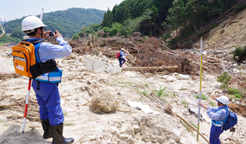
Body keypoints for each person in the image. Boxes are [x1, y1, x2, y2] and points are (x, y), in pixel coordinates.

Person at [21, 16, 74, 144]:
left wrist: (41, 38)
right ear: (38, 29)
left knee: (43, 107)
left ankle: (47, 132)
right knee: (54, 109)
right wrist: (59, 38)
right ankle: (58, 139)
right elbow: (67, 51)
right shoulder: (44, 46)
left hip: (36, 83)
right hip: (48, 84)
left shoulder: (26, 44)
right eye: (42, 29)